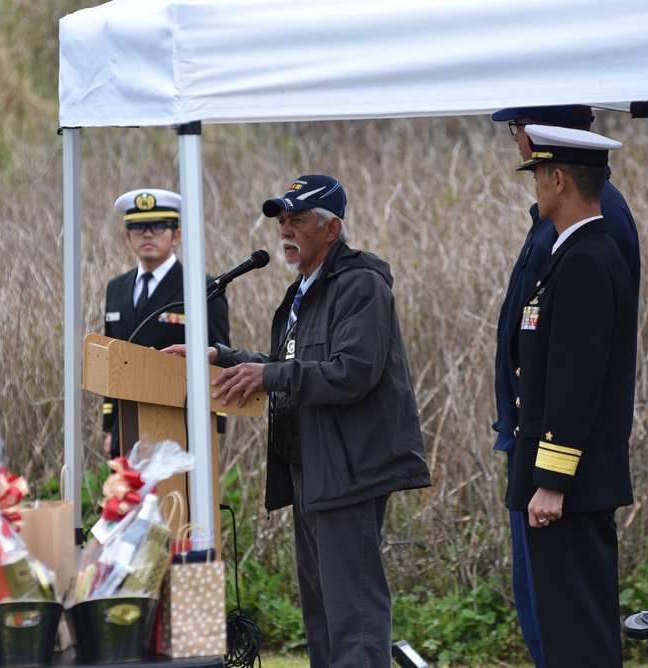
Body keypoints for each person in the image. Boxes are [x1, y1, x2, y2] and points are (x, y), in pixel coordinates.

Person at [165, 174, 431, 668]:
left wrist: (269, 375)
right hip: (311, 467)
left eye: (299, 221)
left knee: (354, 613)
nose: (286, 232)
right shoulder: (303, 290)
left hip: (349, 470)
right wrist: (222, 357)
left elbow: (352, 372)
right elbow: (287, 362)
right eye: (282, 221)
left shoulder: (360, 284)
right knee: (322, 615)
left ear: (332, 230)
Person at [489, 105, 641, 667]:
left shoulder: (586, 258)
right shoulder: (568, 251)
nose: (534, 184)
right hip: (557, 476)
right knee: (563, 623)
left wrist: (551, 479)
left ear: (558, 178)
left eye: (536, 174)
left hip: (568, 485)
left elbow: (577, 379)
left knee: (578, 631)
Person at [101, 188, 230, 457]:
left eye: (158, 227)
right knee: (125, 499)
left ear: (176, 235)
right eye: (138, 228)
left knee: (178, 500)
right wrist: (110, 425)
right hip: (127, 421)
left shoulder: (201, 286)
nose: (147, 235)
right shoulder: (116, 287)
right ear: (127, 236)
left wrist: (212, 425)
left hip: (180, 424)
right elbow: (112, 358)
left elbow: (218, 356)